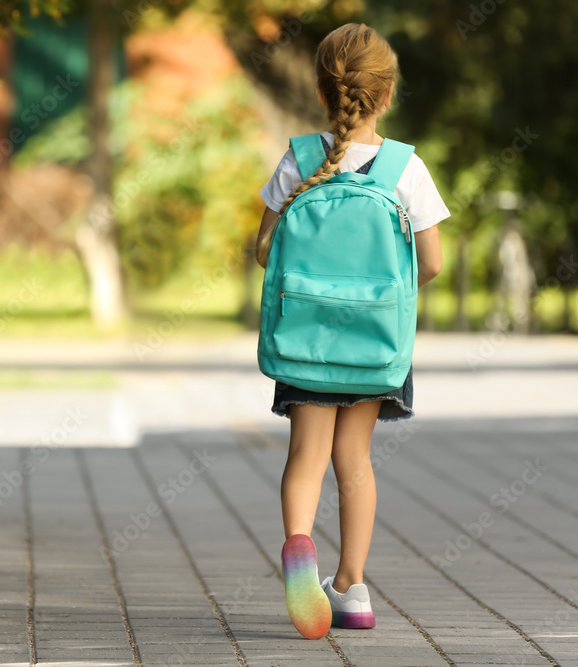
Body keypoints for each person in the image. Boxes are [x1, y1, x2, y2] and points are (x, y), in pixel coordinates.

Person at [255, 23, 449, 640]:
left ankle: (299, 547)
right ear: (386, 95)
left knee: (306, 455)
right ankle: (352, 587)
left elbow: (265, 250)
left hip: (305, 342)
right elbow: (432, 262)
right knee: (355, 461)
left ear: (322, 92)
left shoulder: (299, 159)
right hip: (373, 344)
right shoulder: (404, 167)